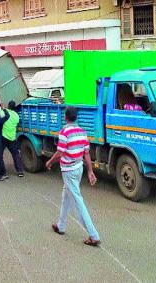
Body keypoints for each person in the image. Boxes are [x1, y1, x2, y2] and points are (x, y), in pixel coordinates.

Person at [45, 106, 100, 247]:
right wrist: (90, 171)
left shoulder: (64, 132)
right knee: (66, 197)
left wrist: (50, 161)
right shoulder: (82, 132)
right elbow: (86, 153)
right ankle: (61, 226)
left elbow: (60, 152)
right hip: (78, 168)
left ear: (65, 117)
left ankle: (93, 235)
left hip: (69, 170)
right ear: (76, 117)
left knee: (77, 200)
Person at [0, 101, 24, 178]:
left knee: (0, 155)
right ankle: (20, 171)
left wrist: (1, 106)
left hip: (3, 137)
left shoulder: (4, 112)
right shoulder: (16, 116)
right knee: (15, 154)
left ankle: (4, 172)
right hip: (12, 138)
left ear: (8, 105)